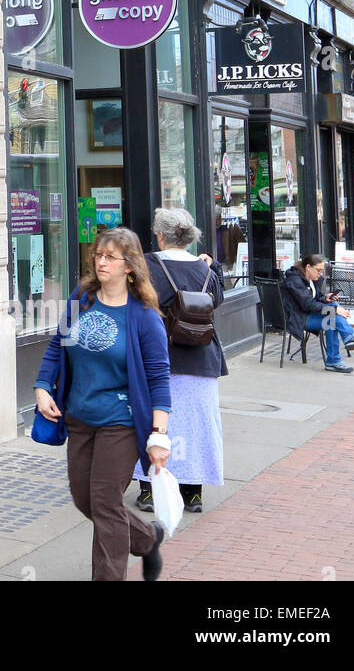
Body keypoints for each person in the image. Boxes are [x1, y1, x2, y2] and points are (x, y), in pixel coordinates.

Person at [34, 227, 172, 581]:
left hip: (121, 421)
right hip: (79, 416)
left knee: (107, 504)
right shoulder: (82, 297)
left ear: (130, 266)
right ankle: (146, 537)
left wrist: (158, 434)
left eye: (110, 256)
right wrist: (42, 386)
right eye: (98, 255)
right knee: (85, 500)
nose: (101, 262)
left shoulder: (144, 317)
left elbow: (159, 379)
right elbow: (57, 346)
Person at [134, 208, 226, 516]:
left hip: (158, 356)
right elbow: (218, 301)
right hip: (203, 357)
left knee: (155, 420)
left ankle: (149, 490)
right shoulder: (206, 270)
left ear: (160, 234)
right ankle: (193, 493)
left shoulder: (148, 265)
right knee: (198, 424)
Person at [280, 253, 354, 372]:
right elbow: (307, 304)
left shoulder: (312, 279)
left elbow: (315, 298)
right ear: (308, 267)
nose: (321, 274)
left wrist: (325, 298)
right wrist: (336, 310)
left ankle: (345, 344)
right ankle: (339, 352)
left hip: (309, 313)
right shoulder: (294, 281)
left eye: (322, 271)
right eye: (318, 270)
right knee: (332, 317)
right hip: (298, 318)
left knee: (332, 313)